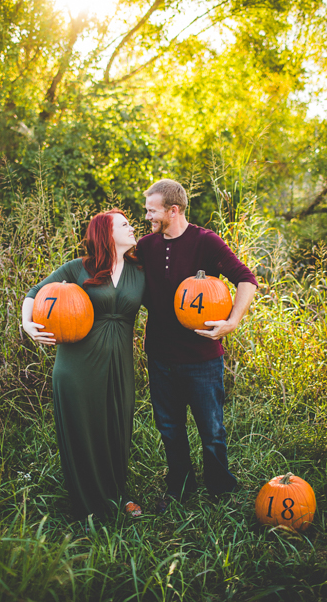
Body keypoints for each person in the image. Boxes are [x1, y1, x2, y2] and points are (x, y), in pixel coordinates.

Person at [136, 179, 258, 510]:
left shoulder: (206, 242)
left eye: (152, 210)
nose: (147, 216)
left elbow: (246, 279)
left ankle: (220, 487)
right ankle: (181, 486)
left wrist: (232, 321)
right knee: (169, 428)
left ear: (173, 210)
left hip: (202, 358)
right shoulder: (146, 246)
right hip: (160, 355)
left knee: (212, 429)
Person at [22, 209, 145, 520]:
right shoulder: (79, 268)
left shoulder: (140, 270)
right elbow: (34, 293)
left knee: (117, 427)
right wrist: (28, 324)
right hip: (77, 365)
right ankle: (88, 505)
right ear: (105, 233)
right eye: (125, 224)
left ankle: (117, 495)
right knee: (84, 431)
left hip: (119, 363)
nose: (132, 228)